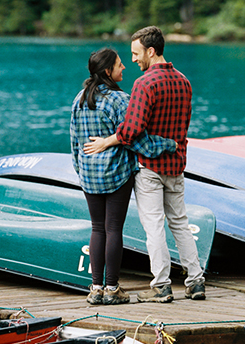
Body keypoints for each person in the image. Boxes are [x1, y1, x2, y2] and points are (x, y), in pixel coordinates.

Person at [85, 26, 205, 304]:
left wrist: (106, 141)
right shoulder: (184, 81)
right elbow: (183, 126)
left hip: (150, 168)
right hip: (176, 165)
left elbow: (132, 130)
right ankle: (195, 280)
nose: (134, 60)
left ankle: (162, 284)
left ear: (151, 51)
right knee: (180, 224)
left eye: (137, 53)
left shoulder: (144, 84)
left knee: (154, 227)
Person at [70, 48, 177, 306]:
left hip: (89, 175)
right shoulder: (119, 100)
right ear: (108, 71)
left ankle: (96, 289)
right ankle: (112, 288)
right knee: (113, 228)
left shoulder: (79, 99)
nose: (124, 67)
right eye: (119, 64)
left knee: (97, 228)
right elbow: (135, 139)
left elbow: (74, 142)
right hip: (117, 174)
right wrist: (169, 144)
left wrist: (81, 169)